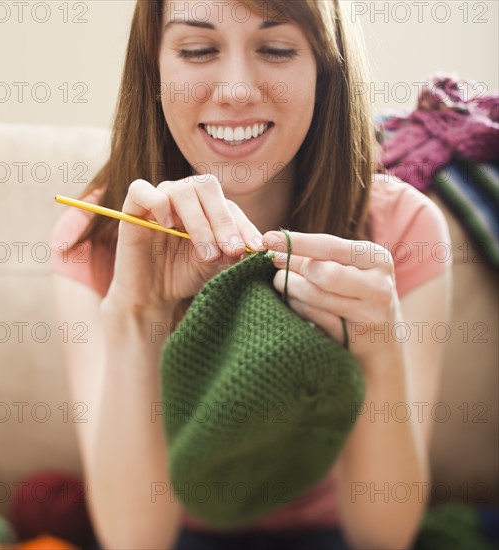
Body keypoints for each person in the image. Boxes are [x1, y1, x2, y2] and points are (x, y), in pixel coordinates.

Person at [50, 1, 452, 548]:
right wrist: (135, 316)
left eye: (277, 49)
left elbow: (384, 536)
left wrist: (380, 349)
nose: (237, 90)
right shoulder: (98, 236)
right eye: (198, 50)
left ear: (324, 68)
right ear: (155, 67)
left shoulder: (406, 229)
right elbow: (133, 539)